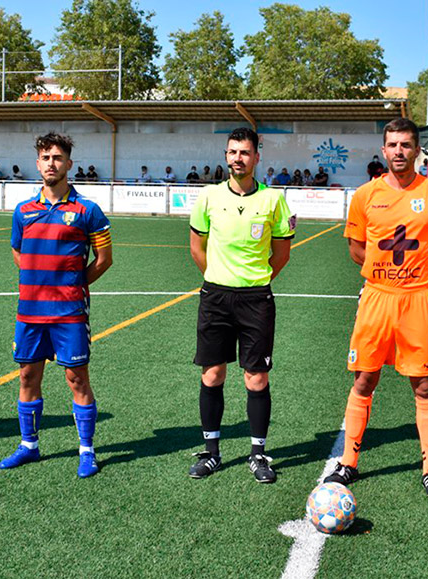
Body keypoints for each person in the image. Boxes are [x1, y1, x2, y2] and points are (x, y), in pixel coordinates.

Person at [323, 117, 428, 499]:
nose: (399, 151)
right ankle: (349, 462)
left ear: (417, 150)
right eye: (392, 145)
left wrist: (421, 274)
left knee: (424, 384)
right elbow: (355, 249)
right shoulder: (365, 195)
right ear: (383, 150)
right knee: (364, 379)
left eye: (406, 145)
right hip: (376, 298)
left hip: (418, 300)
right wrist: (383, 271)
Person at [0, 132, 113, 478]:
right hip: (30, 311)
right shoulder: (23, 211)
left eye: (58, 157)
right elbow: (18, 252)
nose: (52, 163)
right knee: (27, 375)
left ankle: (87, 450)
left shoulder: (88, 211)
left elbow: (104, 259)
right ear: (38, 164)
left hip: (69, 313)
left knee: (76, 378)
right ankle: (29, 446)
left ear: (69, 164)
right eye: (46, 157)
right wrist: (40, 280)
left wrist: (72, 285)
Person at [188, 127, 295, 483]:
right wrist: (219, 277)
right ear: (225, 155)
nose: (238, 158)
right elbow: (197, 248)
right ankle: (212, 452)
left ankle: (258, 454)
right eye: (232, 152)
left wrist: (254, 280)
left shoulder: (273, 200)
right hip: (215, 296)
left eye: (245, 152)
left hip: (256, 299)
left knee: (256, 377)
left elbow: (281, 254)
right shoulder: (207, 197)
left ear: (256, 158)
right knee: (212, 373)